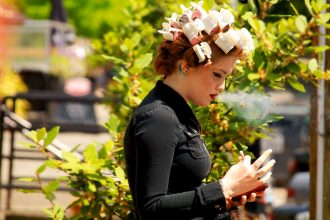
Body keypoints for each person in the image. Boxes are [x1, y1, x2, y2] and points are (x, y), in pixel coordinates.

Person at [123, 1, 275, 219]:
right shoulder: (159, 117)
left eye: (225, 77)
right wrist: (224, 189)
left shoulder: (175, 111)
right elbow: (150, 209)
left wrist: (229, 198)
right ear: (185, 65)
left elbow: (180, 197)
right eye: (217, 74)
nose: (221, 87)